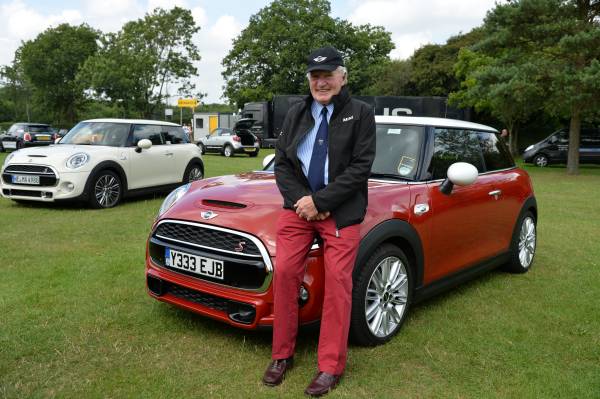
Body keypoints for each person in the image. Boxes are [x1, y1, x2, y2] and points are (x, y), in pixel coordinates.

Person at [262, 46, 376, 396]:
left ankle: (329, 366)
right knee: (284, 275)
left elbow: (361, 166)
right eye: (315, 76)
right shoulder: (297, 113)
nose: (321, 82)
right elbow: (282, 163)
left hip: (340, 210)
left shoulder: (361, 114)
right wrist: (303, 202)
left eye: (328, 75)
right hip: (299, 209)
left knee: (339, 283)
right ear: (309, 79)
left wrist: (322, 202)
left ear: (343, 77)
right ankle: (282, 355)